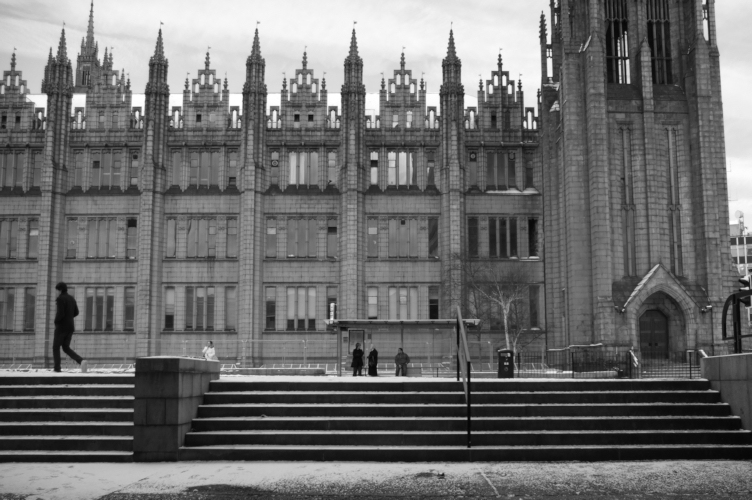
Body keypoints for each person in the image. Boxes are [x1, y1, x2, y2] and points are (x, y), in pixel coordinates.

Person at [53, 282, 87, 373]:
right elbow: (76, 312)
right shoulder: (71, 298)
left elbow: (60, 314)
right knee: (65, 347)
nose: (56, 292)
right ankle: (81, 361)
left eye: (56, 290)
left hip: (61, 327)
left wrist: (56, 321)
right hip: (70, 327)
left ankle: (57, 368)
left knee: (56, 347)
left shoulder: (60, 299)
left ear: (60, 290)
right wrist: (69, 317)